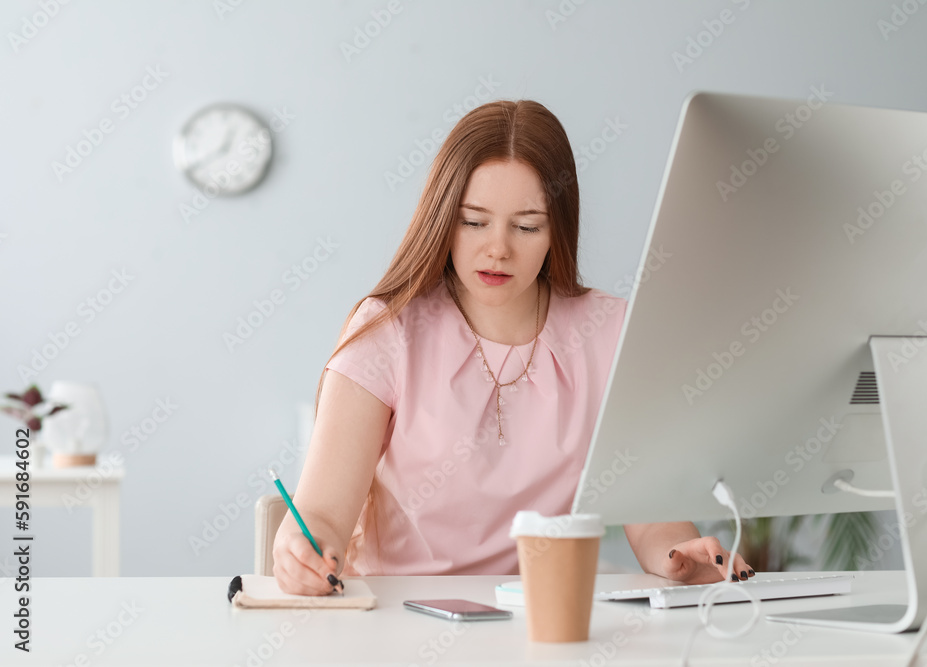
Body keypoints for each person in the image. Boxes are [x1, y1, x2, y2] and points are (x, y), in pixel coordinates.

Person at [272, 99, 754, 595]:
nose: (498, 248)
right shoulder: (388, 330)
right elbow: (323, 513)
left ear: (557, 230)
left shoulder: (608, 330)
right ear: (442, 219)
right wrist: (302, 550)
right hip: (402, 615)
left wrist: (679, 557)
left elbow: (651, 519)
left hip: (538, 617)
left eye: (527, 226)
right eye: (474, 222)